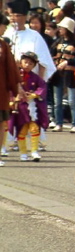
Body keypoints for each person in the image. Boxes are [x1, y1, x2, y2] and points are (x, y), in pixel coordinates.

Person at [8, 52, 49, 162]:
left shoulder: (35, 77)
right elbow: (9, 88)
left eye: (31, 63)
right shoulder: (14, 76)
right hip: (20, 107)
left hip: (32, 106)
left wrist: (35, 94)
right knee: (22, 130)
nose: (27, 65)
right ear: (20, 62)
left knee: (34, 128)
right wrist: (12, 100)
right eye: (25, 62)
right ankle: (23, 153)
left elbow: (42, 87)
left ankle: (34, 151)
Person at [4, 0, 56, 82]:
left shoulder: (34, 36)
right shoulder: (5, 33)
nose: (13, 18)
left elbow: (43, 62)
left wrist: (39, 84)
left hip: (29, 81)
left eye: (17, 15)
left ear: (25, 17)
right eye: (10, 15)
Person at [50, 17, 75, 133]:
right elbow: (51, 54)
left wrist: (68, 62)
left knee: (72, 101)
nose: (59, 29)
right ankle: (58, 123)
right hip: (58, 74)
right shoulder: (58, 42)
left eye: (62, 27)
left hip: (70, 75)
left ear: (68, 29)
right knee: (57, 102)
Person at [0, 38, 19, 166]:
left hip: (0, 91)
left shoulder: (3, 45)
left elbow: (11, 69)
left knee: (1, 123)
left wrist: (17, 87)